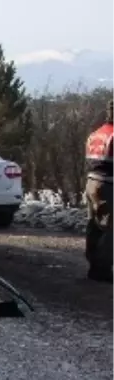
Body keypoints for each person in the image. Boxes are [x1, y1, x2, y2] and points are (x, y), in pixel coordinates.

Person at [84, 100, 114, 283]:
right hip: (109, 186)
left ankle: (94, 265)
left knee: (94, 225)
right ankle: (102, 269)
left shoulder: (95, 134)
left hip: (92, 183)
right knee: (111, 228)